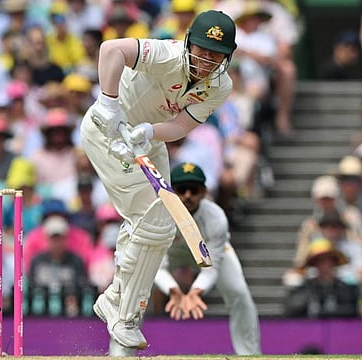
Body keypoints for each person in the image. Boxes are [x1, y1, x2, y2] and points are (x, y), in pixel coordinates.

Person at [80, 9, 237, 350]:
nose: (208, 60)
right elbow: (111, 49)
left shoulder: (221, 85)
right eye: (202, 50)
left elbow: (180, 127)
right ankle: (124, 314)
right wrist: (108, 104)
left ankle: (116, 299)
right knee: (155, 222)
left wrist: (149, 130)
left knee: (159, 230)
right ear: (188, 43)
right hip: (106, 134)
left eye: (217, 55)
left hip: (145, 142)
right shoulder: (166, 54)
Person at [153, 162, 261, 355]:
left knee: (240, 293)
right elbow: (156, 267)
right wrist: (174, 291)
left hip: (210, 255)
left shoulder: (216, 218)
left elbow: (211, 267)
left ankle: (249, 355)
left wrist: (195, 292)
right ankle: (121, 354)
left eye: (193, 190)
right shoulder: (157, 216)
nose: (187, 195)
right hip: (170, 254)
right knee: (134, 292)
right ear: (171, 191)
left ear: (203, 192)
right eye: (181, 189)